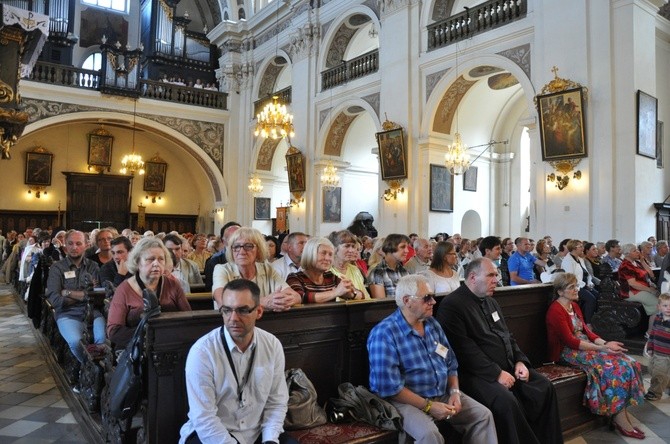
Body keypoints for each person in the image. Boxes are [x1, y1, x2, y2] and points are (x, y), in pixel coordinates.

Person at [436, 258, 563, 444]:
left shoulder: (491, 302)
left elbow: (507, 336)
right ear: (472, 277)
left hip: (509, 366)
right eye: (490, 275)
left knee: (545, 387)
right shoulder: (452, 305)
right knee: (506, 402)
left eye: (496, 274)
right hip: (476, 374)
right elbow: (464, 351)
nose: (496, 279)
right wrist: (496, 373)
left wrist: (520, 361)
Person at [367, 275, 497, 444]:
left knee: (483, 416)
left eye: (433, 296)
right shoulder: (384, 334)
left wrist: (455, 393)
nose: (433, 302)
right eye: (427, 297)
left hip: (440, 394)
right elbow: (390, 388)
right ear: (407, 301)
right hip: (404, 401)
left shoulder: (432, 324)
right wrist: (428, 406)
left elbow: (451, 363)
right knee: (429, 435)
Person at [179, 279, 295, 444]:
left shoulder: (272, 345)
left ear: (259, 312)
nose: (233, 318)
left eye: (242, 310)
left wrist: (270, 440)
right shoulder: (202, 352)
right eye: (227, 310)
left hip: (256, 432)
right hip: (214, 434)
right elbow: (204, 417)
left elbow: (276, 402)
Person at [546, 273, 645, 439]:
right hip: (567, 352)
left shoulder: (574, 306)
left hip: (584, 346)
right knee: (615, 368)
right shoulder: (555, 311)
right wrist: (603, 350)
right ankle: (618, 417)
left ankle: (620, 414)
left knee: (629, 363)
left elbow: (587, 331)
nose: (576, 289)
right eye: (571, 287)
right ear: (560, 292)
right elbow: (571, 341)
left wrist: (606, 343)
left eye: (576, 285)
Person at [107, 237, 191, 348]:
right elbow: (114, 331)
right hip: (136, 347)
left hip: (171, 345)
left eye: (161, 259)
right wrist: (150, 338)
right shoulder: (124, 289)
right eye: (150, 259)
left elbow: (187, 318)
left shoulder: (173, 285)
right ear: (137, 262)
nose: (156, 264)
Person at [46, 230, 105, 368]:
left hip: (92, 313)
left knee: (101, 339)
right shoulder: (57, 268)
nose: (74, 247)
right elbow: (56, 300)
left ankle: (94, 370)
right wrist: (85, 295)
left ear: (86, 245)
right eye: (70, 244)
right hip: (67, 314)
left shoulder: (93, 266)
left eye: (78, 243)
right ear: (65, 246)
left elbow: (98, 295)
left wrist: (67, 292)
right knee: (76, 341)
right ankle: (88, 367)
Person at [212, 227, 300, 311]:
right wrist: (263, 301)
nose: (241, 252)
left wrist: (281, 301)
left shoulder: (267, 269)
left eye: (248, 246)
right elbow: (223, 300)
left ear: (259, 250)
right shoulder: (222, 270)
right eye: (236, 246)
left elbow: (296, 296)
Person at [286, 237, 359, 303]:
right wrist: (335, 293)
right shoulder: (294, 278)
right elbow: (300, 298)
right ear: (310, 254)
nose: (327, 258)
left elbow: (361, 295)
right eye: (323, 253)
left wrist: (351, 294)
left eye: (330, 254)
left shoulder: (330, 277)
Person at [560, 240, 600, 325]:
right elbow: (571, 278)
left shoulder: (580, 259)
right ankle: (588, 323)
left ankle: (593, 319)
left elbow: (587, 273)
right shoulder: (568, 261)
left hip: (585, 285)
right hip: (574, 286)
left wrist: (589, 282)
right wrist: (585, 285)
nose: (583, 248)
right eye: (580, 247)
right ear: (574, 248)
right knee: (591, 299)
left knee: (598, 296)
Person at [328, 230, 370, 299]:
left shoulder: (355, 270)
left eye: (353, 246)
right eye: (347, 246)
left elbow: (366, 298)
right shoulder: (327, 271)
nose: (351, 250)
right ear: (334, 248)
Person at [644, 293, 670, 402]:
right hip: (656, 352)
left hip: (666, 355)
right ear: (658, 307)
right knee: (652, 370)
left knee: (659, 375)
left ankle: (654, 393)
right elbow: (653, 334)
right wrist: (650, 347)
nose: (668, 308)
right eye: (665, 306)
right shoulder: (658, 318)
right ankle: (667, 383)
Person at [367, 234, 410, 298]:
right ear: (390, 247)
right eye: (402, 247)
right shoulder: (378, 273)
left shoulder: (404, 271)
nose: (407, 251)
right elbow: (382, 304)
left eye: (407, 247)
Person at [204, 222, 241, 292]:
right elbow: (211, 290)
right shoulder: (215, 262)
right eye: (233, 239)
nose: (238, 242)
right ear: (223, 241)